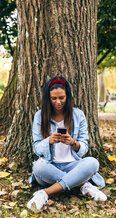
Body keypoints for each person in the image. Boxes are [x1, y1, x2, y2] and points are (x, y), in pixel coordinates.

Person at [27, 76, 107, 211]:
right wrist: (49, 141)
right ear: (48, 99)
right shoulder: (40, 116)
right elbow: (36, 148)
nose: (58, 102)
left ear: (67, 97)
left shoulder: (78, 115)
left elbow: (84, 146)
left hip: (73, 165)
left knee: (93, 162)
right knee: (38, 166)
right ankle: (82, 185)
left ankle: (44, 193)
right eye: (54, 98)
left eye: (61, 98)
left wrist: (73, 143)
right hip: (50, 167)